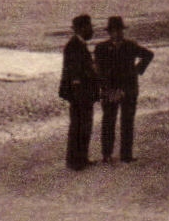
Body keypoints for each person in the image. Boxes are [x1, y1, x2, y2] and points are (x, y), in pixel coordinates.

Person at [94, 16, 154, 163]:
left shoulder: (130, 45)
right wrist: (107, 89)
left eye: (119, 30)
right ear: (109, 32)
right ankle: (106, 154)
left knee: (127, 122)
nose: (117, 33)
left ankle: (126, 155)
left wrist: (136, 70)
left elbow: (149, 55)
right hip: (110, 91)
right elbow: (98, 71)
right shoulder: (101, 48)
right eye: (114, 31)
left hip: (129, 89)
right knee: (108, 122)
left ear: (122, 31)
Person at [58, 14, 99, 170]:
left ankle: (78, 158)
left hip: (79, 92)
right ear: (82, 28)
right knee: (80, 125)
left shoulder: (76, 44)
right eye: (89, 27)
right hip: (80, 93)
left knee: (80, 125)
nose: (91, 30)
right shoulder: (75, 46)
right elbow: (75, 74)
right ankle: (77, 160)